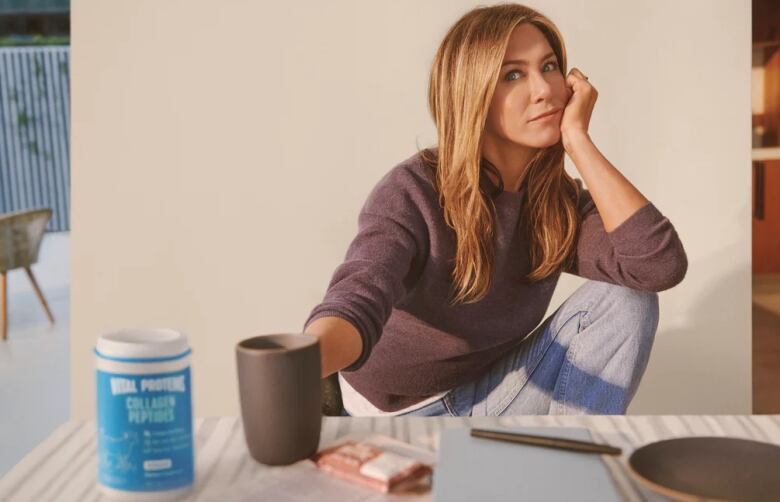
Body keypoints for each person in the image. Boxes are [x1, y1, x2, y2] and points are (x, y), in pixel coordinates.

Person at [302, 4, 687, 417]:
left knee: (630, 298)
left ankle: (571, 459)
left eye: (550, 66)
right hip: (404, 415)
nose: (544, 90)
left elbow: (657, 267)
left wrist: (578, 141)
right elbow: (359, 294)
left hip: (491, 393)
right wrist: (295, 365)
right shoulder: (413, 190)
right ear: (473, 93)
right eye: (513, 74)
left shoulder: (555, 200)